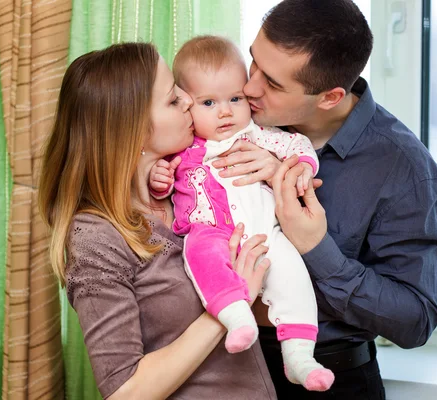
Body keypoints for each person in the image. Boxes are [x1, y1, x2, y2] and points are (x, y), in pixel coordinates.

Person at [211, 1, 437, 399]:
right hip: (222, 368)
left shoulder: (403, 168)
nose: (249, 87)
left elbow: (415, 321)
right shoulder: (234, 114)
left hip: (330, 380)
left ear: (330, 96)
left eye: (272, 83)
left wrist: (316, 248)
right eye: (253, 62)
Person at [38, 42, 278, 400]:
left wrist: (273, 173)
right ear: (132, 130)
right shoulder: (96, 238)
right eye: (172, 99)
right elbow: (124, 392)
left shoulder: (184, 189)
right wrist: (227, 303)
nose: (188, 101)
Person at [148, 35, 334, 392]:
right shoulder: (185, 146)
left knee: (295, 277)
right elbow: (164, 188)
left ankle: (299, 356)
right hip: (211, 230)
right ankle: (236, 318)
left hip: (268, 232)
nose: (225, 111)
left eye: (235, 98)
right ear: (187, 105)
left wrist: (301, 169)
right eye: (208, 102)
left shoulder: (261, 135)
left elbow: (299, 147)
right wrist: (160, 180)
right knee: (200, 255)